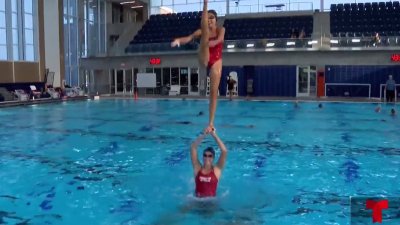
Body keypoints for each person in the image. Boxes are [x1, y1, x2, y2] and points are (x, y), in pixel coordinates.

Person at [171, 0, 225, 133]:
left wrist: (208, 44)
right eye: (207, 18)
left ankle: (211, 123)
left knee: (213, 92)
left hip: (216, 59)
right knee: (204, 33)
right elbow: (189, 38)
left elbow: (219, 41)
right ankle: (205, 5)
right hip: (203, 56)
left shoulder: (220, 29)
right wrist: (178, 40)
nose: (209, 20)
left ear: (216, 20)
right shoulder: (202, 31)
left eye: (211, 18)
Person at [190, 129, 227, 198]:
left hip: (211, 203)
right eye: (205, 155)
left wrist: (214, 135)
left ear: (213, 158)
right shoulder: (197, 168)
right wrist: (204, 134)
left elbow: (224, 151)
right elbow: (193, 148)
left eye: (210, 156)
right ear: (203, 157)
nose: (207, 158)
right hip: (197, 201)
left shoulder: (216, 170)